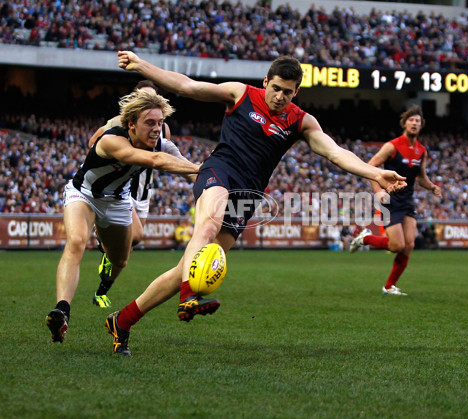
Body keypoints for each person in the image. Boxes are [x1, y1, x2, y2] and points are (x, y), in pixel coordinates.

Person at [104, 51, 407, 355]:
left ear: (296, 92)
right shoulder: (241, 94)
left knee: (187, 266)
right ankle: (189, 297)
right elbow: (188, 86)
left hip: (247, 196)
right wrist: (141, 65)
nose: (279, 96)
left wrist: (375, 172)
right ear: (266, 81)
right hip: (219, 170)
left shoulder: (301, 121)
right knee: (207, 224)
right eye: (275, 88)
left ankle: (124, 319)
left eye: (287, 92)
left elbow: (336, 152)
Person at [45, 89, 202, 344]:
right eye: (150, 123)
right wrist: (199, 167)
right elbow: (153, 160)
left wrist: (214, 180)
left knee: (121, 259)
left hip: (118, 202)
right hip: (85, 194)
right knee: (75, 242)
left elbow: (190, 172)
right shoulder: (112, 140)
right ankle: (62, 310)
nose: (156, 129)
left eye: (160, 123)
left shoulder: (161, 145)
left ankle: (104, 269)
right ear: (131, 124)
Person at [88, 80, 196, 309]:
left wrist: (200, 172)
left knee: (130, 245)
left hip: (144, 191)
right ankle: (103, 236)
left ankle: (102, 288)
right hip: (122, 188)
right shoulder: (118, 123)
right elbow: (95, 140)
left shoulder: (162, 128)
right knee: (134, 236)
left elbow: (168, 154)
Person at [349, 105, 441, 295]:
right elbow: (370, 167)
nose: (414, 123)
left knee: (409, 246)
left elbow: (421, 177)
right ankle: (365, 238)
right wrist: (377, 191)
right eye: (411, 120)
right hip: (389, 201)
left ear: (421, 125)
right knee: (396, 245)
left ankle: (389, 286)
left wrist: (432, 187)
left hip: (407, 202)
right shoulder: (392, 146)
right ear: (405, 123)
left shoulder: (421, 150)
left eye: (418, 121)